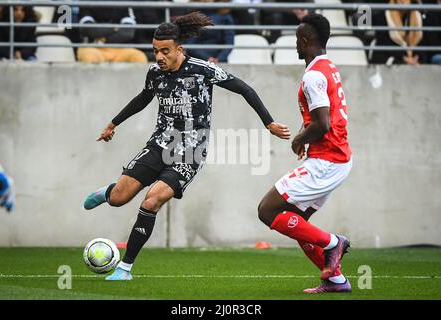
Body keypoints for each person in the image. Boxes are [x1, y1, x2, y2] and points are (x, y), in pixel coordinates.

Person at [83, 12, 291, 281]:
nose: (159, 57)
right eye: (155, 51)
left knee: (152, 200)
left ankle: (125, 268)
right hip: (159, 144)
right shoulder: (155, 72)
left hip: (190, 150)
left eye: (165, 51)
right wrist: (113, 123)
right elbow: (143, 98)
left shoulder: (203, 70)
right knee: (119, 199)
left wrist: (269, 123)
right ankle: (108, 193)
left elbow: (244, 88)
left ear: (179, 49)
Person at [257, 13, 353, 294]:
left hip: (327, 158)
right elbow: (320, 116)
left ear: (305, 39)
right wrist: (304, 137)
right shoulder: (327, 67)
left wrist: (298, 138)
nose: (296, 45)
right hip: (336, 158)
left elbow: (322, 124)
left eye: (298, 39)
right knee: (294, 221)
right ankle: (335, 280)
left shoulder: (312, 75)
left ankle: (334, 243)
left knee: (267, 210)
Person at [77, 0, 148, 63]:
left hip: (119, 48)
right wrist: (114, 28)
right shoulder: (87, 2)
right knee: (89, 56)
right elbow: (87, 29)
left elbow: (128, 33)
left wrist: (103, 39)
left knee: (139, 57)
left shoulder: (123, 3)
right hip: (93, 47)